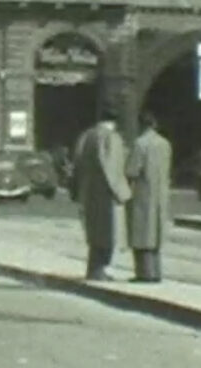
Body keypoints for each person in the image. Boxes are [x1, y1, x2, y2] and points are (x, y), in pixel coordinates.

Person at [73, 108, 131, 281]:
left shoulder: (86, 136)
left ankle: (93, 268)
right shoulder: (111, 138)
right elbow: (111, 168)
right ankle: (99, 270)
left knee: (94, 233)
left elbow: (77, 161)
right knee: (109, 234)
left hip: (88, 192)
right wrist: (121, 192)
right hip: (106, 195)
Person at [124, 110, 172, 283]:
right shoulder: (165, 144)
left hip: (143, 192)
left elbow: (132, 170)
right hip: (161, 192)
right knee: (156, 233)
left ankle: (144, 272)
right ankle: (156, 271)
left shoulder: (140, 144)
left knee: (142, 233)